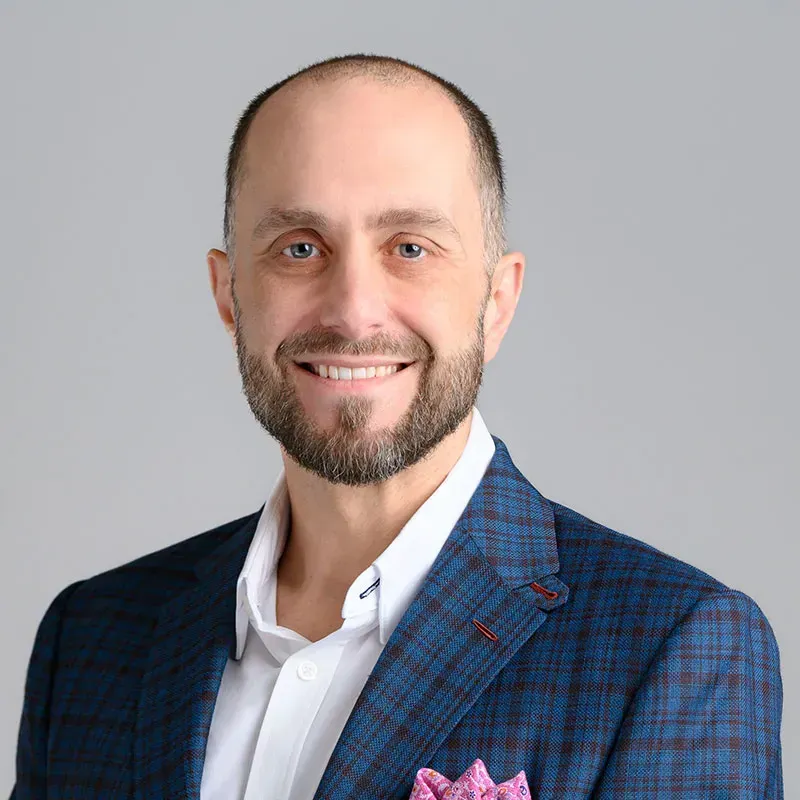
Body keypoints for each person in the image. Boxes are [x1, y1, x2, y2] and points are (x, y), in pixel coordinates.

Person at [11, 53, 783, 800]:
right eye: (300, 248)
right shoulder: (92, 639)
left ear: (496, 301)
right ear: (228, 293)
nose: (352, 308)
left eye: (409, 248)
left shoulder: (671, 650)